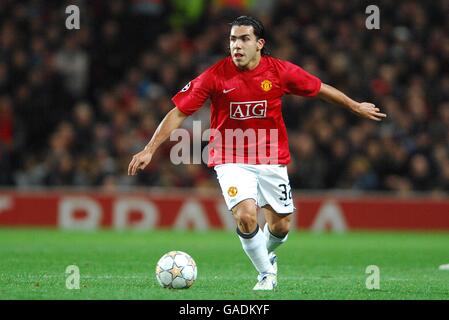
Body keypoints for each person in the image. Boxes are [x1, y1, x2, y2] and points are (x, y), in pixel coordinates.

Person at [128, 16, 387, 290]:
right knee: (246, 215)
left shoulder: (279, 72)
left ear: (260, 43)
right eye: (232, 39)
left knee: (281, 226)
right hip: (230, 157)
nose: (236, 45)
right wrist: (149, 149)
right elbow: (179, 112)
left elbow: (319, 89)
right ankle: (266, 274)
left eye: (244, 39)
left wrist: (354, 106)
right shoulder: (215, 75)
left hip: (271, 158)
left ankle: (266, 256)